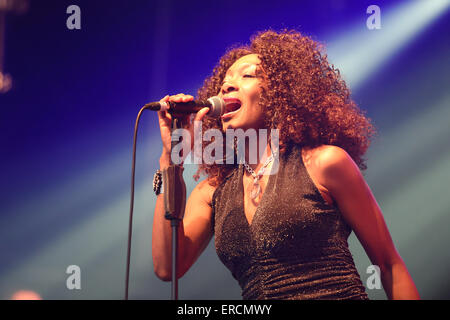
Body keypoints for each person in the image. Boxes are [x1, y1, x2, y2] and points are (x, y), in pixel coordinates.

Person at [152, 29, 420, 300]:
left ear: (280, 93)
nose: (227, 86)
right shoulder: (214, 192)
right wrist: (170, 158)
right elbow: (167, 267)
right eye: (225, 80)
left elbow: (389, 265)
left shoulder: (324, 163)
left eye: (247, 75)